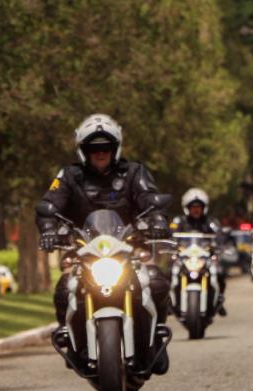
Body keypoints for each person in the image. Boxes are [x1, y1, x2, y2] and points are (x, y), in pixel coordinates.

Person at [37, 113, 171, 374]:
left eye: (106, 147)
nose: (100, 153)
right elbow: (48, 206)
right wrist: (49, 229)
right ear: (83, 150)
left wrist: (157, 220)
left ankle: (156, 343)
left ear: (115, 148)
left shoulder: (135, 172)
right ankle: (72, 341)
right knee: (66, 287)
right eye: (94, 148)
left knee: (155, 280)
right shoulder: (68, 175)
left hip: (129, 247)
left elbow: (150, 198)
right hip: (83, 250)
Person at [171, 187, 227, 316]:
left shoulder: (211, 222)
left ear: (204, 208)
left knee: (220, 272)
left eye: (198, 206)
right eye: (193, 207)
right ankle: (169, 301)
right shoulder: (179, 221)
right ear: (187, 208)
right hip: (185, 258)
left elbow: (219, 235)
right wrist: (169, 244)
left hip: (204, 257)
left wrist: (220, 244)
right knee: (168, 273)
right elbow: (170, 234)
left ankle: (219, 299)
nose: (196, 209)